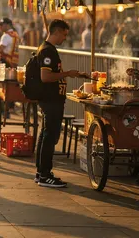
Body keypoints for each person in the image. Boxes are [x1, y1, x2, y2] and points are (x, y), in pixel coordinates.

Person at [35, 19, 84, 189]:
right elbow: (45, 77)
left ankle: (40, 171)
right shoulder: (48, 51)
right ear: (56, 32)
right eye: (64, 34)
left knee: (46, 134)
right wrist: (67, 74)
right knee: (50, 136)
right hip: (51, 99)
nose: (65, 38)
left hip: (51, 99)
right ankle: (45, 174)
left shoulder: (48, 49)